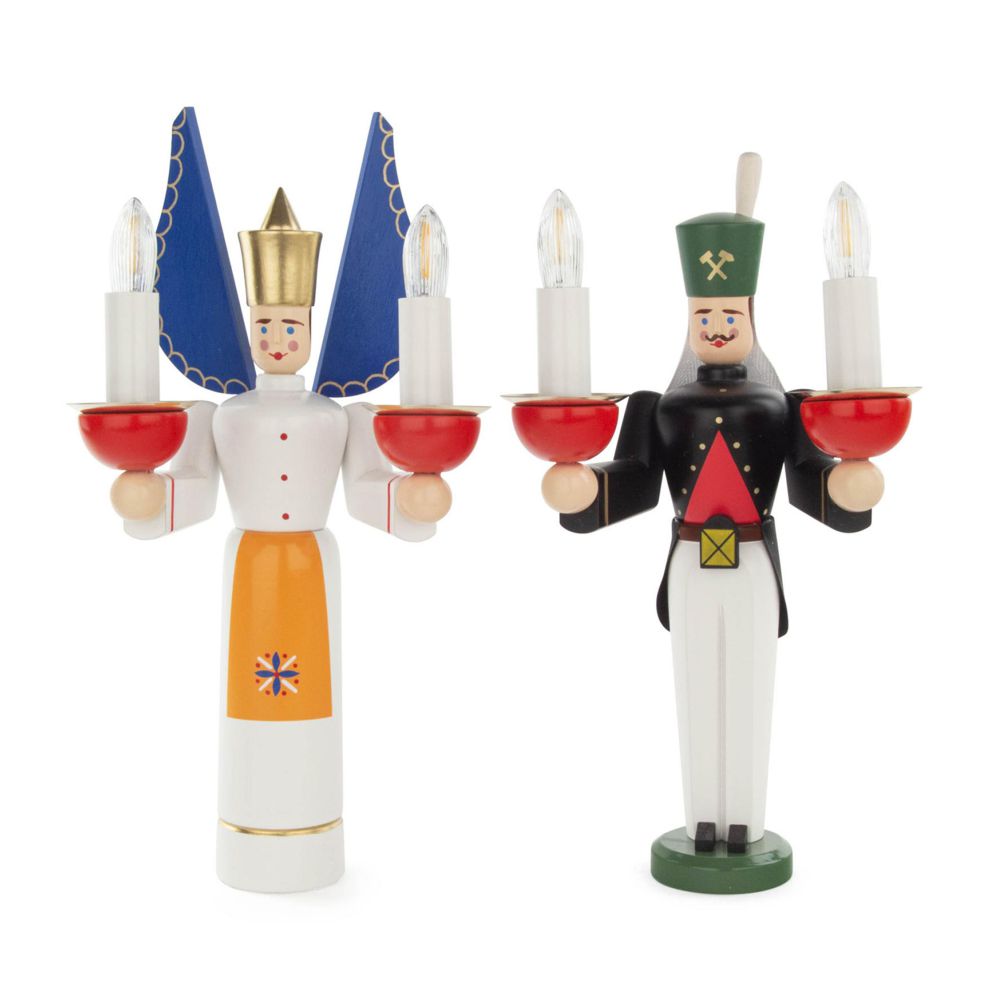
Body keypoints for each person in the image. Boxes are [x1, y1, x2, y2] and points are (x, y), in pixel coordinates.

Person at [552, 157, 883, 893]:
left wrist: (847, 486)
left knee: (752, 682)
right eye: (704, 316)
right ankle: (702, 816)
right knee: (695, 679)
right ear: (688, 322)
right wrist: (584, 490)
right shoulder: (659, 406)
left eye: (729, 315)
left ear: (752, 320)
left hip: (755, 559)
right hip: (690, 560)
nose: (717, 325)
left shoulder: (784, 406)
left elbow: (810, 482)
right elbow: (634, 483)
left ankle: (746, 821)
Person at [111, 190, 445, 892]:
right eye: (265, 324)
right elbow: (193, 489)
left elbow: (367, 491)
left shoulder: (339, 416)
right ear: (249, 325)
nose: (278, 338)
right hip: (252, 573)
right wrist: (148, 496)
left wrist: (413, 499)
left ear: (311, 326)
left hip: (311, 572)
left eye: (290, 325)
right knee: (251, 708)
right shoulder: (221, 415)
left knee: (312, 709)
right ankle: (250, 830)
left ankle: (313, 832)